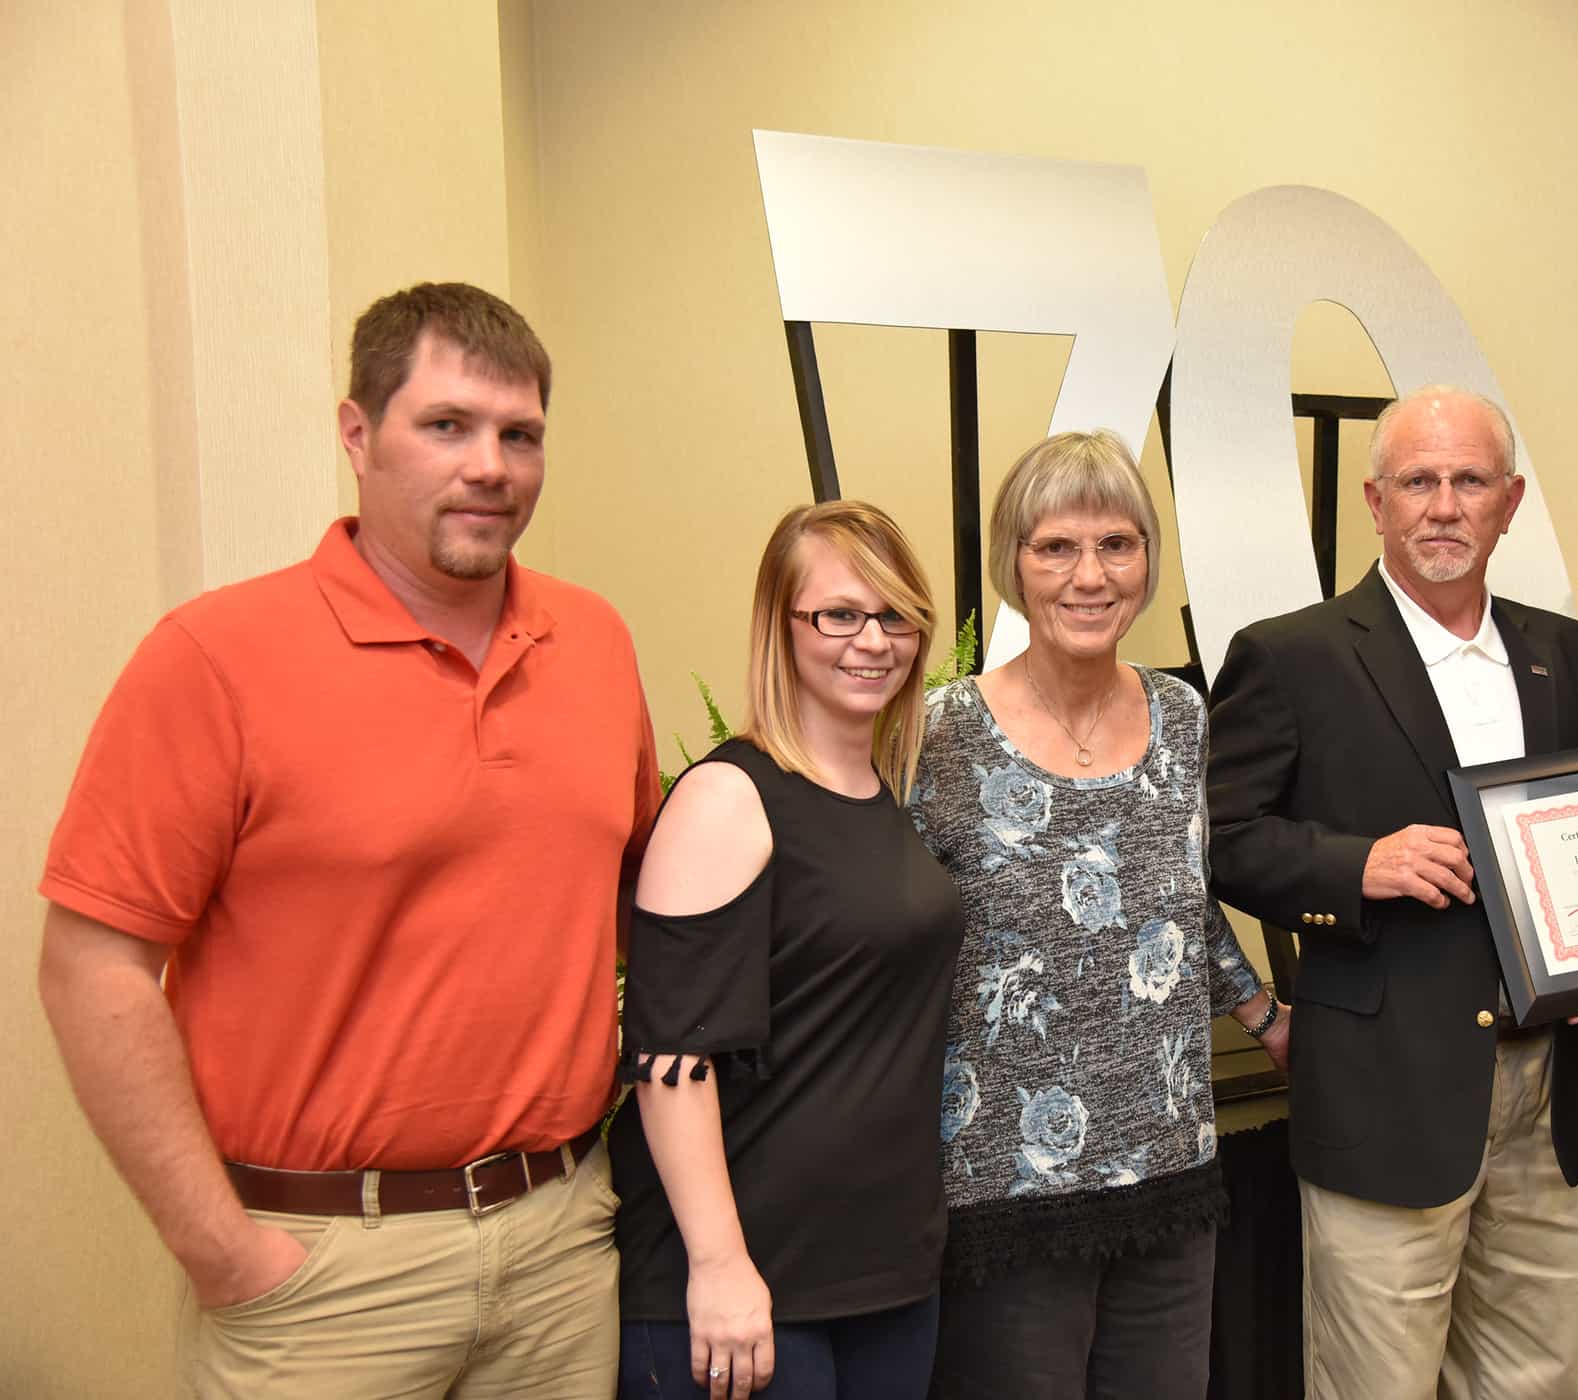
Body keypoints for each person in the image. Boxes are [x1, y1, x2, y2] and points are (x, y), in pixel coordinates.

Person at [37, 282, 658, 1397]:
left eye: (520, 434)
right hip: (324, 1274)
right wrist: (223, 1250)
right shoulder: (215, 658)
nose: (491, 466)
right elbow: (93, 965)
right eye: (447, 426)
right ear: (358, 433)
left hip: (560, 1248)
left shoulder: (595, 641)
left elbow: (637, 905)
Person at [1205, 387, 1578, 1400]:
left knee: (1542, 1376)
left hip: (1546, 1089)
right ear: (1374, 500)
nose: (1443, 504)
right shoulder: (1291, 652)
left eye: (1469, 480)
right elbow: (1216, 838)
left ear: (1509, 501)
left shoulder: (1567, 653)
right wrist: (1356, 865)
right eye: (1419, 481)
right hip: (1383, 1094)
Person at [908, 430, 1284, 1399]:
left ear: (1148, 560)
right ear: (1014, 564)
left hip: (1169, 1157)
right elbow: (889, 929)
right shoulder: (941, 730)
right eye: (1056, 547)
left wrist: (1263, 1015)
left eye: (1117, 543)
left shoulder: (1184, 717)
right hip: (1004, 1181)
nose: (1090, 574)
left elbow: (1181, 907)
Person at [612, 499, 963, 1400]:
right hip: (751, 1289)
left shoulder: (881, 797)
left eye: (893, 615)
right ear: (780, 624)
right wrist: (720, 1264)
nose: (870, 640)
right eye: (838, 614)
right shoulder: (730, 796)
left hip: (880, 1271)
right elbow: (669, 1059)